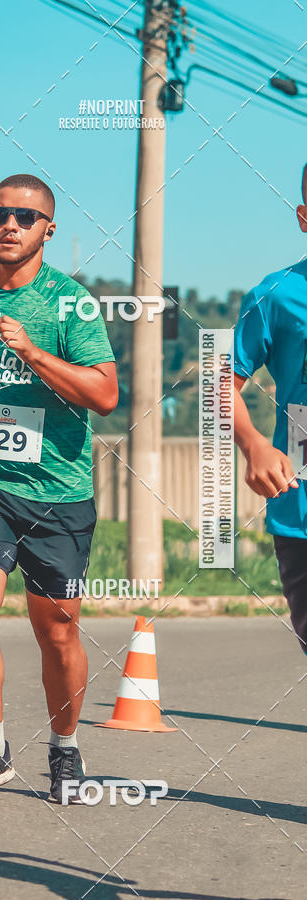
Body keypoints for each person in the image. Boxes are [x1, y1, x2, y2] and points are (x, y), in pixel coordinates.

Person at [0, 173, 118, 804]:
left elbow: (105, 395)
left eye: (25, 217)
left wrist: (34, 352)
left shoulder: (72, 303)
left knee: (57, 629)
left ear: (48, 229)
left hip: (58, 489)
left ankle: (65, 748)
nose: (9, 226)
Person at [233, 162, 307, 655]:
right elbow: (220, 382)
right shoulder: (276, 295)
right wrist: (255, 445)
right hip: (301, 510)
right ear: (304, 217)